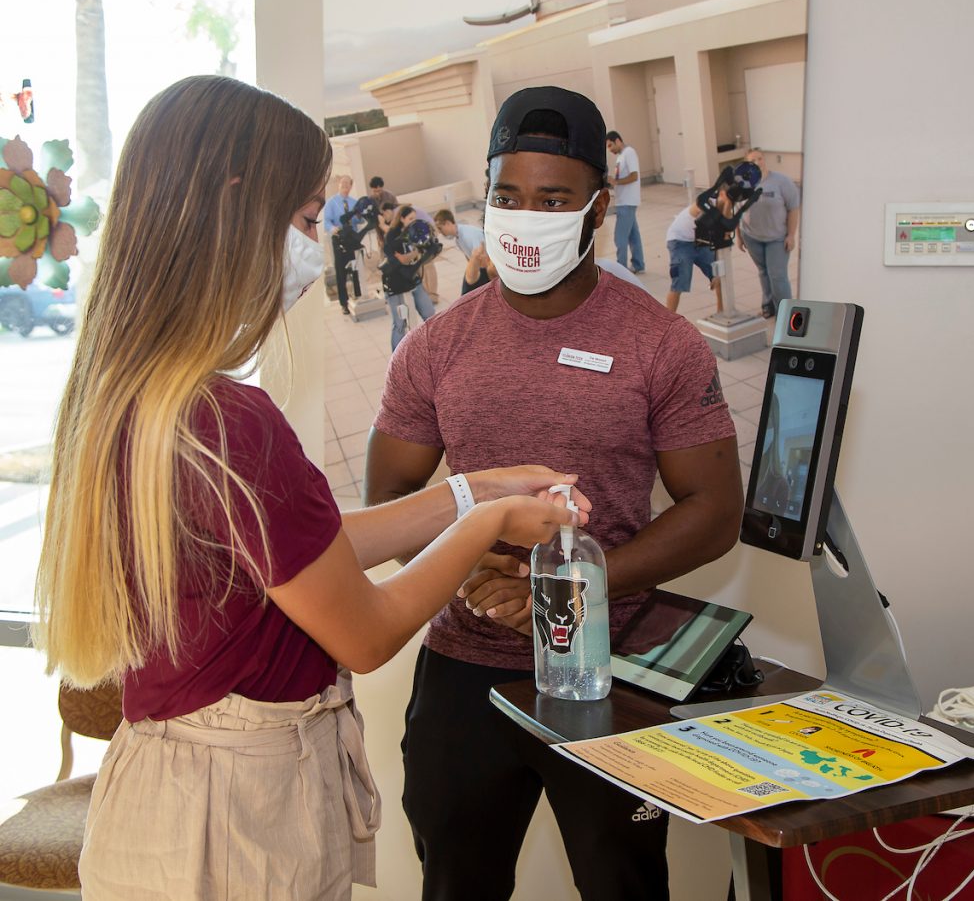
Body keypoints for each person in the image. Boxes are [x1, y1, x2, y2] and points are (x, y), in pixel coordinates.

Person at [33, 75, 590, 901]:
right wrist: (495, 523)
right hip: (238, 825)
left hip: (164, 796)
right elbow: (362, 633)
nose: (310, 244)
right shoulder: (229, 422)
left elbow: (305, 552)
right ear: (235, 206)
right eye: (301, 221)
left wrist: (472, 489)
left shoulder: (141, 394)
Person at [365, 85, 743, 901]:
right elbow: (393, 491)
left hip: (611, 672)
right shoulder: (435, 347)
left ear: (598, 208)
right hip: (465, 669)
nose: (523, 216)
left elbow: (715, 512)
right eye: (507, 195)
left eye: (553, 198)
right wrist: (465, 571)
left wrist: (564, 584)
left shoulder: (660, 344)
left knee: (625, 885)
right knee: (456, 883)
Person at [736, 148, 801, 319]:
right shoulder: (743, 182)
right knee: (763, 271)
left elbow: (793, 208)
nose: (757, 163)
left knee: (777, 275)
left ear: (764, 160)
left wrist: (791, 235)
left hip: (777, 238)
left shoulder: (781, 182)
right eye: (752, 160)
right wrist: (739, 235)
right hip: (752, 236)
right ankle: (768, 306)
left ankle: (786, 314)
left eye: (760, 159)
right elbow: (737, 210)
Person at [381, 203, 436, 351]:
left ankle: (433, 349)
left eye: (415, 218)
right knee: (400, 323)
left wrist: (417, 253)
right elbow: (401, 260)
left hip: (412, 278)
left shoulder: (415, 231)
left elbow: (421, 251)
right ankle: (396, 359)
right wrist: (414, 253)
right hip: (395, 283)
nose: (413, 221)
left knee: (430, 314)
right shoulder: (393, 236)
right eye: (410, 218)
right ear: (402, 219)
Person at [663, 199, 720, 315]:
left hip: (700, 240)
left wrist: (717, 266)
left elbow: (719, 241)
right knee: (679, 282)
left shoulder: (727, 210)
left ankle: (722, 310)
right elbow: (699, 209)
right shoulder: (707, 203)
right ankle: (668, 321)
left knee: (720, 275)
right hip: (679, 241)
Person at [606, 130, 645, 273]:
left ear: (618, 141)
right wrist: (612, 182)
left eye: (610, 145)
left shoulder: (629, 152)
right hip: (624, 200)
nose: (610, 150)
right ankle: (638, 265)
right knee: (633, 235)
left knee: (620, 237)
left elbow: (634, 176)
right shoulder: (621, 157)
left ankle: (621, 271)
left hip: (627, 202)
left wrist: (616, 181)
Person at [324, 174, 360, 314]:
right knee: (341, 272)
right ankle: (344, 303)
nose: (345, 185)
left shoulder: (354, 202)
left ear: (351, 186)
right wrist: (333, 229)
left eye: (348, 183)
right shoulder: (332, 202)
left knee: (357, 270)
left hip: (353, 240)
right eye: (343, 183)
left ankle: (358, 296)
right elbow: (326, 221)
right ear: (339, 184)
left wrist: (358, 217)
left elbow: (359, 220)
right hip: (339, 240)